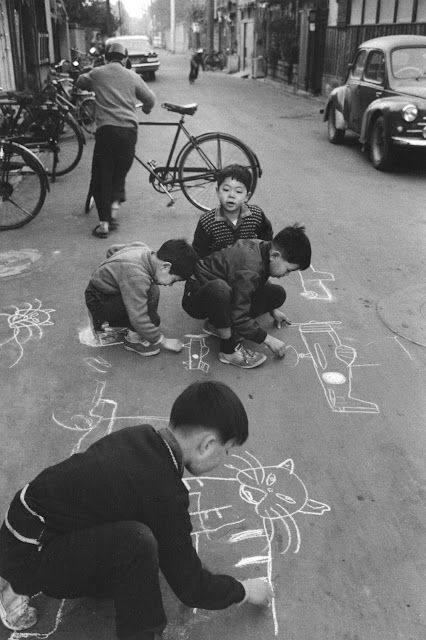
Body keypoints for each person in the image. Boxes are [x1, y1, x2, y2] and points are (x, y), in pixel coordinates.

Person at [0, 381, 273, 639]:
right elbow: (191, 587)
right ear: (207, 445)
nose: (225, 459)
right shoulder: (163, 490)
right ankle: (19, 589)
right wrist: (244, 591)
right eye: (228, 451)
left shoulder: (139, 436)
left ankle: (37, 578)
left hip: (22, 528)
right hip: (31, 554)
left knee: (139, 543)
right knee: (137, 543)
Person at [182, 224, 311, 369]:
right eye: (288, 270)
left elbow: (255, 283)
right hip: (197, 296)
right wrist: (268, 339)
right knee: (221, 292)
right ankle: (227, 351)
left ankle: (219, 324)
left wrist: (273, 310)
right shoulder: (250, 266)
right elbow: (239, 314)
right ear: (275, 255)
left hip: (224, 288)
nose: (286, 274)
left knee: (277, 295)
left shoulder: (263, 248)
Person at [76, 42, 156, 238]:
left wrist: (91, 72)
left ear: (105, 58)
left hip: (106, 132)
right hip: (129, 133)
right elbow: (150, 99)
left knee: (103, 174)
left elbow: (79, 81)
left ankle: (104, 224)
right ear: (126, 59)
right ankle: (114, 207)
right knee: (120, 172)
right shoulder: (132, 76)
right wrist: (145, 109)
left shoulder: (98, 72)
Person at [85, 240, 197, 355]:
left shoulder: (143, 249)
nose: (169, 285)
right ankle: (132, 340)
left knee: (148, 295)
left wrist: (112, 273)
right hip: (99, 300)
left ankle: (131, 322)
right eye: (173, 280)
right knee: (151, 292)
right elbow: (138, 317)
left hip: (97, 291)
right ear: (165, 266)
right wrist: (163, 340)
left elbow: (112, 250)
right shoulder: (137, 276)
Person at [192, 164, 273, 259]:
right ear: (217, 192)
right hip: (219, 270)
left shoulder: (256, 215)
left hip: (249, 267)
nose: (231, 195)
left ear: (247, 196)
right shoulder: (207, 222)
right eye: (226, 190)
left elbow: (266, 236)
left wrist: (262, 258)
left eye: (238, 191)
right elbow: (199, 252)